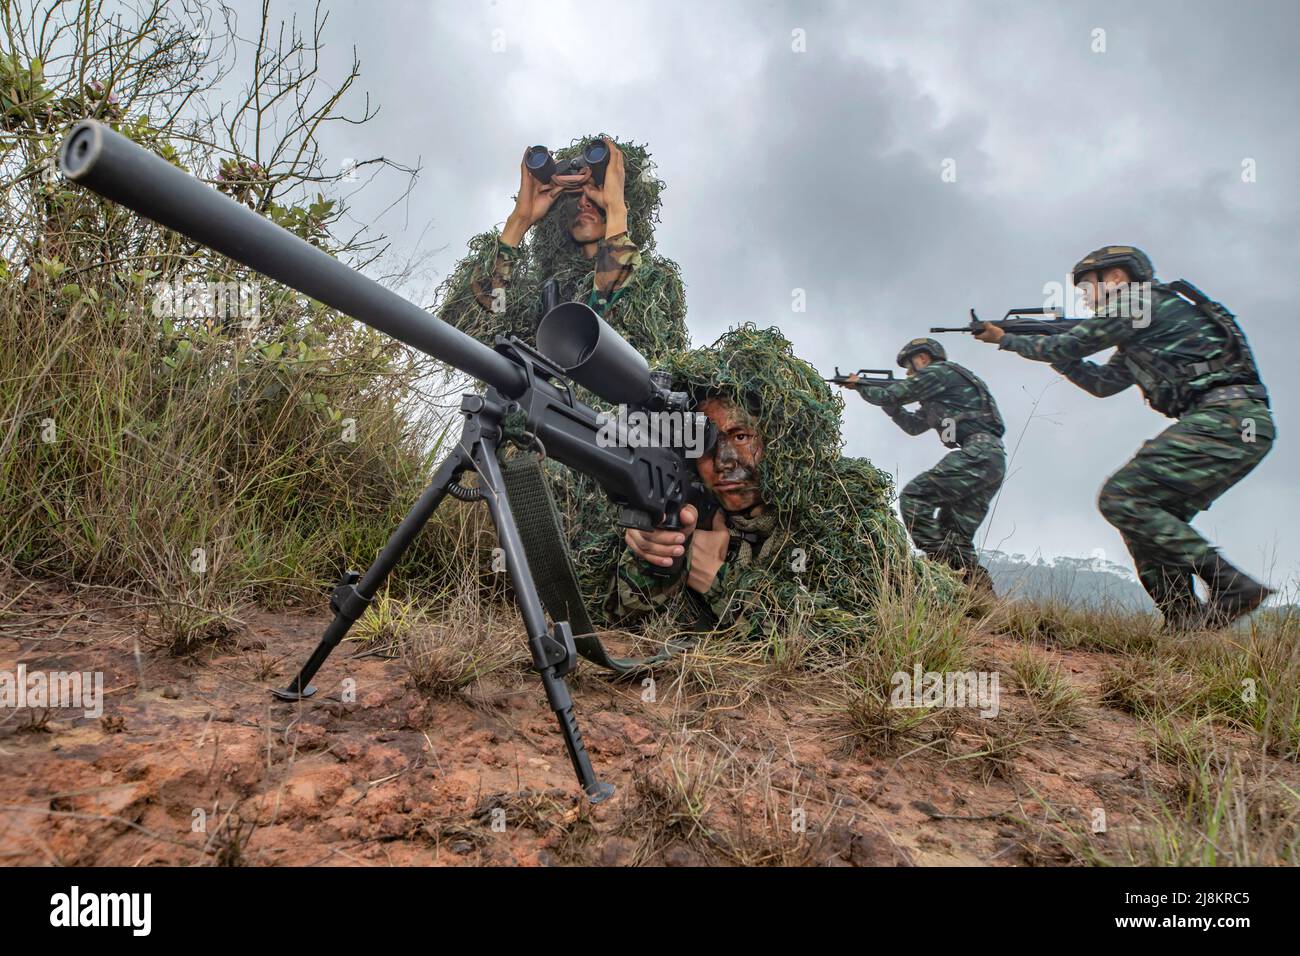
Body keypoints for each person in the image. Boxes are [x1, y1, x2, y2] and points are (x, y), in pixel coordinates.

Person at [975, 245, 1274, 629]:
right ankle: (1183, 621)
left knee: (1121, 497)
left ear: (1116, 278)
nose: (1085, 298)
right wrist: (1055, 351)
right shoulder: (1143, 331)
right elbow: (1102, 384)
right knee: (1144, 516)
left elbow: (1070, 343)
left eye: (1087, 288)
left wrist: (1006, 338)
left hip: (1228, 418)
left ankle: (1231, 584)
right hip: (1236, 425)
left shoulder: (1141, 302)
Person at [610, 325, 953, 644]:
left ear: (780, 440)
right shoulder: (695, 511)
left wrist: (718, 580)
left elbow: (860, 633)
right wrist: (653, 558)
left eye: (741, 436)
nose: (723, 461)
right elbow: (622, 619)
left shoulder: (839, 508)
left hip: (936, 592)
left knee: (954, 587)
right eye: (704, 442)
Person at [436, 135, 688, 364]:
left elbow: (600, 329)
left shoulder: (656, 286)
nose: (584, 202)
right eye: (573, 196)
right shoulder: (535, 300)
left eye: (596, 193)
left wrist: (616, 210)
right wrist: (519, 221)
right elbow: (466, 330)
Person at [835, 338, 1006, 593]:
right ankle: (978, 595)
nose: (907, 373)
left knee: (914, 497)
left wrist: (859, 385)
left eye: (910, 367)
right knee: (955, 535)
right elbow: (913, 426)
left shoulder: (940, 372)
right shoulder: (942, 395)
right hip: (991, 459)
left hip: (978, 452)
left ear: (923, 359)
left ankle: (942, 567)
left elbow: (892, 393)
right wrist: (890, 407)